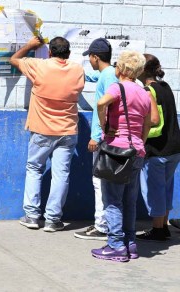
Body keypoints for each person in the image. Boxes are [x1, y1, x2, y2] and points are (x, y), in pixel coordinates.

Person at [10, 36, 84, 232]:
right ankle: (53, 219)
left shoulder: (39, 66)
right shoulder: (77, 69)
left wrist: (30, 46)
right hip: (68, 131)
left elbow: (13, 60)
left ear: (50, 52)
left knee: (34, 168)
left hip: (42, 130)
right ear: (68, 54)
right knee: (61, 175)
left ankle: (32, 216)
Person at [92, 51, 151, 262]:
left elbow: (101, 103)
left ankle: (116, 245)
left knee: (112, 200)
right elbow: (149, 121)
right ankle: (130, 244)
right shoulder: (145, 92)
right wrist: (140, 142)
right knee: (129, 200)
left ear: (121, 69)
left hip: (116, 151)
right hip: (136, 152)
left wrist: (104, 126)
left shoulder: (117, 88)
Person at [74, 38, 118, 241]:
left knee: (99, 181)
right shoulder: (108, 73)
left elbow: (106, 108)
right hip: (105, 136)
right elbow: (92, 75)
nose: (89, 61)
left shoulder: (108, 77)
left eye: (90, 57)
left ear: (95, 57)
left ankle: (102, 225)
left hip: (102, 137)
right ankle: (105, 223)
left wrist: (95, 137)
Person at [136, 54, 180, 241]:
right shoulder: (165, 86)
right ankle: (163, 226)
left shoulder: (147, 91)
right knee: (166, 188)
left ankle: (158, 229)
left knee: (154, 190)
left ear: (143, 70)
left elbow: (155, 122)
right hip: (174, 148)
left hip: (157, 150)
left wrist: (140, 139)